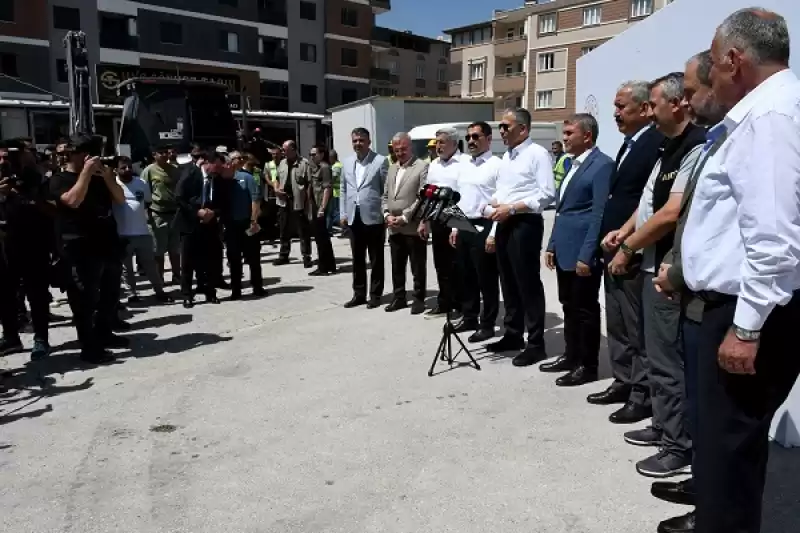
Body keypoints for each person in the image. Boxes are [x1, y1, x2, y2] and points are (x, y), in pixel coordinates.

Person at [682, 9, 800, 533]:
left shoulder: (768, 116)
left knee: (727, 462)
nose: (710, 74)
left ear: (735, 58)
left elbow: (774, 240)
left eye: (712, 61)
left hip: (748, 314)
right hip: (750, 308)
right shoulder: (775, 109)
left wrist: (746, 327)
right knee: (728, 456)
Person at [609, 72, 706, 479]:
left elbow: (671, 214)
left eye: (652, 104)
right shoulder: (665, 147)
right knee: (655, 354)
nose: (648, 111)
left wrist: (626, 249)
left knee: (668, 361)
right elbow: (649, 203)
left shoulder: (695, 145)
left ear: (676, 103)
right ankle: (664, 426)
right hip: (652, 264)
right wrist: (627, 231)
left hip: (670, 268)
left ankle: (677, 446)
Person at [650, 49, 729, 533]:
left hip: (724, 302)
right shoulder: (710, 144)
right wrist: (676, 269)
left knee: (720, 418)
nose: (691, 98)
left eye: (693, 89)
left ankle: (714, 512)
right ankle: (703, 485)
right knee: (702, 405)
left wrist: (675, 272)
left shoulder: (737, 138)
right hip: (693, 292)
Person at [589, 81, 664, 424]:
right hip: (614, 247)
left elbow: (647, 203)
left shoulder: (653, 144)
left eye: (622, 106)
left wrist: (629, 243)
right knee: (617, 321)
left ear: (644, 108)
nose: (615, 113)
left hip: (633, 252)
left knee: (636, 329)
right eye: (615, 107)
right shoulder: (627, 145)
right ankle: (622, 381)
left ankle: (641, 393)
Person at [542, 114, 614, 387]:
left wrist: (587, 253)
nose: (565, 137)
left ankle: (588, 364)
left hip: (583, 251)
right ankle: (571, 355)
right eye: (565, 132)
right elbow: (562, 211)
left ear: (587, 135)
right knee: (568, 305)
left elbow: (598, 214)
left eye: (570, 132)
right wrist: (552, 244)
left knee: (585, 309)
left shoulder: (602, 165)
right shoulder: (569, 163)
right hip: (564, 248)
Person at [485, 108, 555, 367]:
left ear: (523, 129)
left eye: (506, 126)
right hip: (504, 221)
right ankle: (513, 334)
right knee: (508, 282)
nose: (501, 131)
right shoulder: (507, 157)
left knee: (527, 284)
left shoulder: (537, 154)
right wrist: (491, 204)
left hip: (525, 222)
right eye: (500, 127)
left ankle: (536, 344)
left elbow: (547, 194)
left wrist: (512, 208)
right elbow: (503, 192)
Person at [49, 135, 128, 364]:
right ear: (79, 155)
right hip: (79, 245)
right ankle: (89, 347)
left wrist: (107, 178)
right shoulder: (59, 179)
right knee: (85, 299)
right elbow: (73, 201)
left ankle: (104, 333)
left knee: (110, 293)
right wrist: (85, 173)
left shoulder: (99, 178)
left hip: (106, 242)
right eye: (89, 154)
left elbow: (120, 199)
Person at [0, 139, 53, 360]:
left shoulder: (36, 178)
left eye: (11, 155)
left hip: (34, 243)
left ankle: (41, 338)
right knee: (5, 294)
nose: (5, 161)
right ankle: (11, 336)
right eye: (2, 156)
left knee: (37, 294)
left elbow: (50, 209)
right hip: (5, 246)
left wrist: (23, 194)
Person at [449, 121, 501, 343]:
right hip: (464, 224)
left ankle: (487, 324)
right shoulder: (464, 165)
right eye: (468, 137)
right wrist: (454, 226)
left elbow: (502, 201)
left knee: (486, 278)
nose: (471, 141)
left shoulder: (497, 165)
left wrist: (493, 234)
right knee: (466, 274)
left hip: (486, 224)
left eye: (476, 136)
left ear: (488, 139)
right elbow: (459, 197)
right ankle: (469, 316)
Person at [113, 156, 172, 304]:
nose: (127, 170)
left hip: (142, 232)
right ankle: (131, 293)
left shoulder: (141, 183)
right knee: (127, 268)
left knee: (150, 265)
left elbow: (147, 203)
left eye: (129, 167)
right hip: (122, 233)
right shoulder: (112, 184)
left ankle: (159, 291)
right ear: (116, 170)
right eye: (123, 167)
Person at [340, 128, 389, 308]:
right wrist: (343, 213)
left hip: (374, 216)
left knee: (376, 259)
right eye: (355, 141)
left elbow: (386, 190)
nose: (357, 144)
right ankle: (359, 293)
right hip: (354, 217)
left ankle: (375, 295)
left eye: (361, 140)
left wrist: (386, 213)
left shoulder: (380, 161)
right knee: (357, 258)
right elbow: (344, 189)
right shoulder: (347, 162)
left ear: (369, 142)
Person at [421, 127, 465, 317]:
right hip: (438, 219)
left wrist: (456, 226)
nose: (438, 146)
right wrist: (425, 220)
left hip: (458, 220)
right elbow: (429, 193)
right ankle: (445, 302)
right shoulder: (434, 164)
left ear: (454, 144)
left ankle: (462, 305)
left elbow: (465, 195)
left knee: (459, 265)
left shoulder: (464, 163)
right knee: (441, 264)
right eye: (437, 142)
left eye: (442, 142)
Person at [175, 151, 227, 308]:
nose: (218, 170)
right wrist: (196, 211)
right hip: (190, 224)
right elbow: (179, 198)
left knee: (209, 261)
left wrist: (213, 213)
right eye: (216, 166)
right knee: (188, 262)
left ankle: (209, 291)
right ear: (208, 163)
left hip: (209, 224)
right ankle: (186, 294)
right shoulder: (190, 174)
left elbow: (223, 202)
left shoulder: (217, 179)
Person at [383, 132, 428, 315]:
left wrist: (404, 217)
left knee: (417, 266)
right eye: (396, 150)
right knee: (397, 266)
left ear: (410, 147)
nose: (400, 153)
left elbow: (422, 197)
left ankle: (418, 299)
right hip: (393, 228)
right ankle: (399, 297)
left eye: (403, 149)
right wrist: (386, 214)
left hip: (412, 226)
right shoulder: (392, 168)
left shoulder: (422, 167)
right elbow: (386, 195)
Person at [223, 152, 265, 299]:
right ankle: (236, 290)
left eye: (242, 158)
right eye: (237, 158)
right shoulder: (225, 179)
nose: (241, 160)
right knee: (233, 259)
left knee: (253, 258)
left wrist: (254, 220)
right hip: (231, 225)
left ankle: (258, 287)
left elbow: (255, 199)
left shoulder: (247, 177)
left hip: (247, 223)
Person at [141, 146, 182, 285]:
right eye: (162, 153)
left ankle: (177, 275)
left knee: (175, 249)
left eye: (167, 152)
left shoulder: (175, 170)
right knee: (158, 250)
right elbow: (144, 193)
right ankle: (159, 278)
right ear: (154, 154)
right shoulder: (149, 171)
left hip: (174, 213)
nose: (165, 155)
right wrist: (146, 213)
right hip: (158, 213)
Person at [273, 140, 313, 268]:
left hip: (298, 202)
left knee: (303, 231)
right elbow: (277, 179)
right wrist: (276, 189)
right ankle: (284, 255)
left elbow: (309, 184)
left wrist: (308, 203)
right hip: (284, 202)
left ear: (293, 150)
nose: (283, 152)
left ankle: (306, 256)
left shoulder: (304, 163)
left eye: (285, 150)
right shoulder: (282, 163)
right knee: (284, 230)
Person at [307, 144, 337, 276]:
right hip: (315, 205)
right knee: (322, 237)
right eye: (311, 154)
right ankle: (330, 265)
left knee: (321, 238)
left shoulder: (324, 168)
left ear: (321, 154)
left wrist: (322, 208)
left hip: (321, 206)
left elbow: (327, 188)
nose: (312, 157)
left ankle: (324, 267)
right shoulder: (314, 167)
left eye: (314, 154)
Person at [328, 149, 343, 235]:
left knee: (337, 213)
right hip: (337, 192)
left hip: (337, 193)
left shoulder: (336, 166)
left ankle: (343, 228)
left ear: (331, 157)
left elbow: (333, 179)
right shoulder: (339, 165)